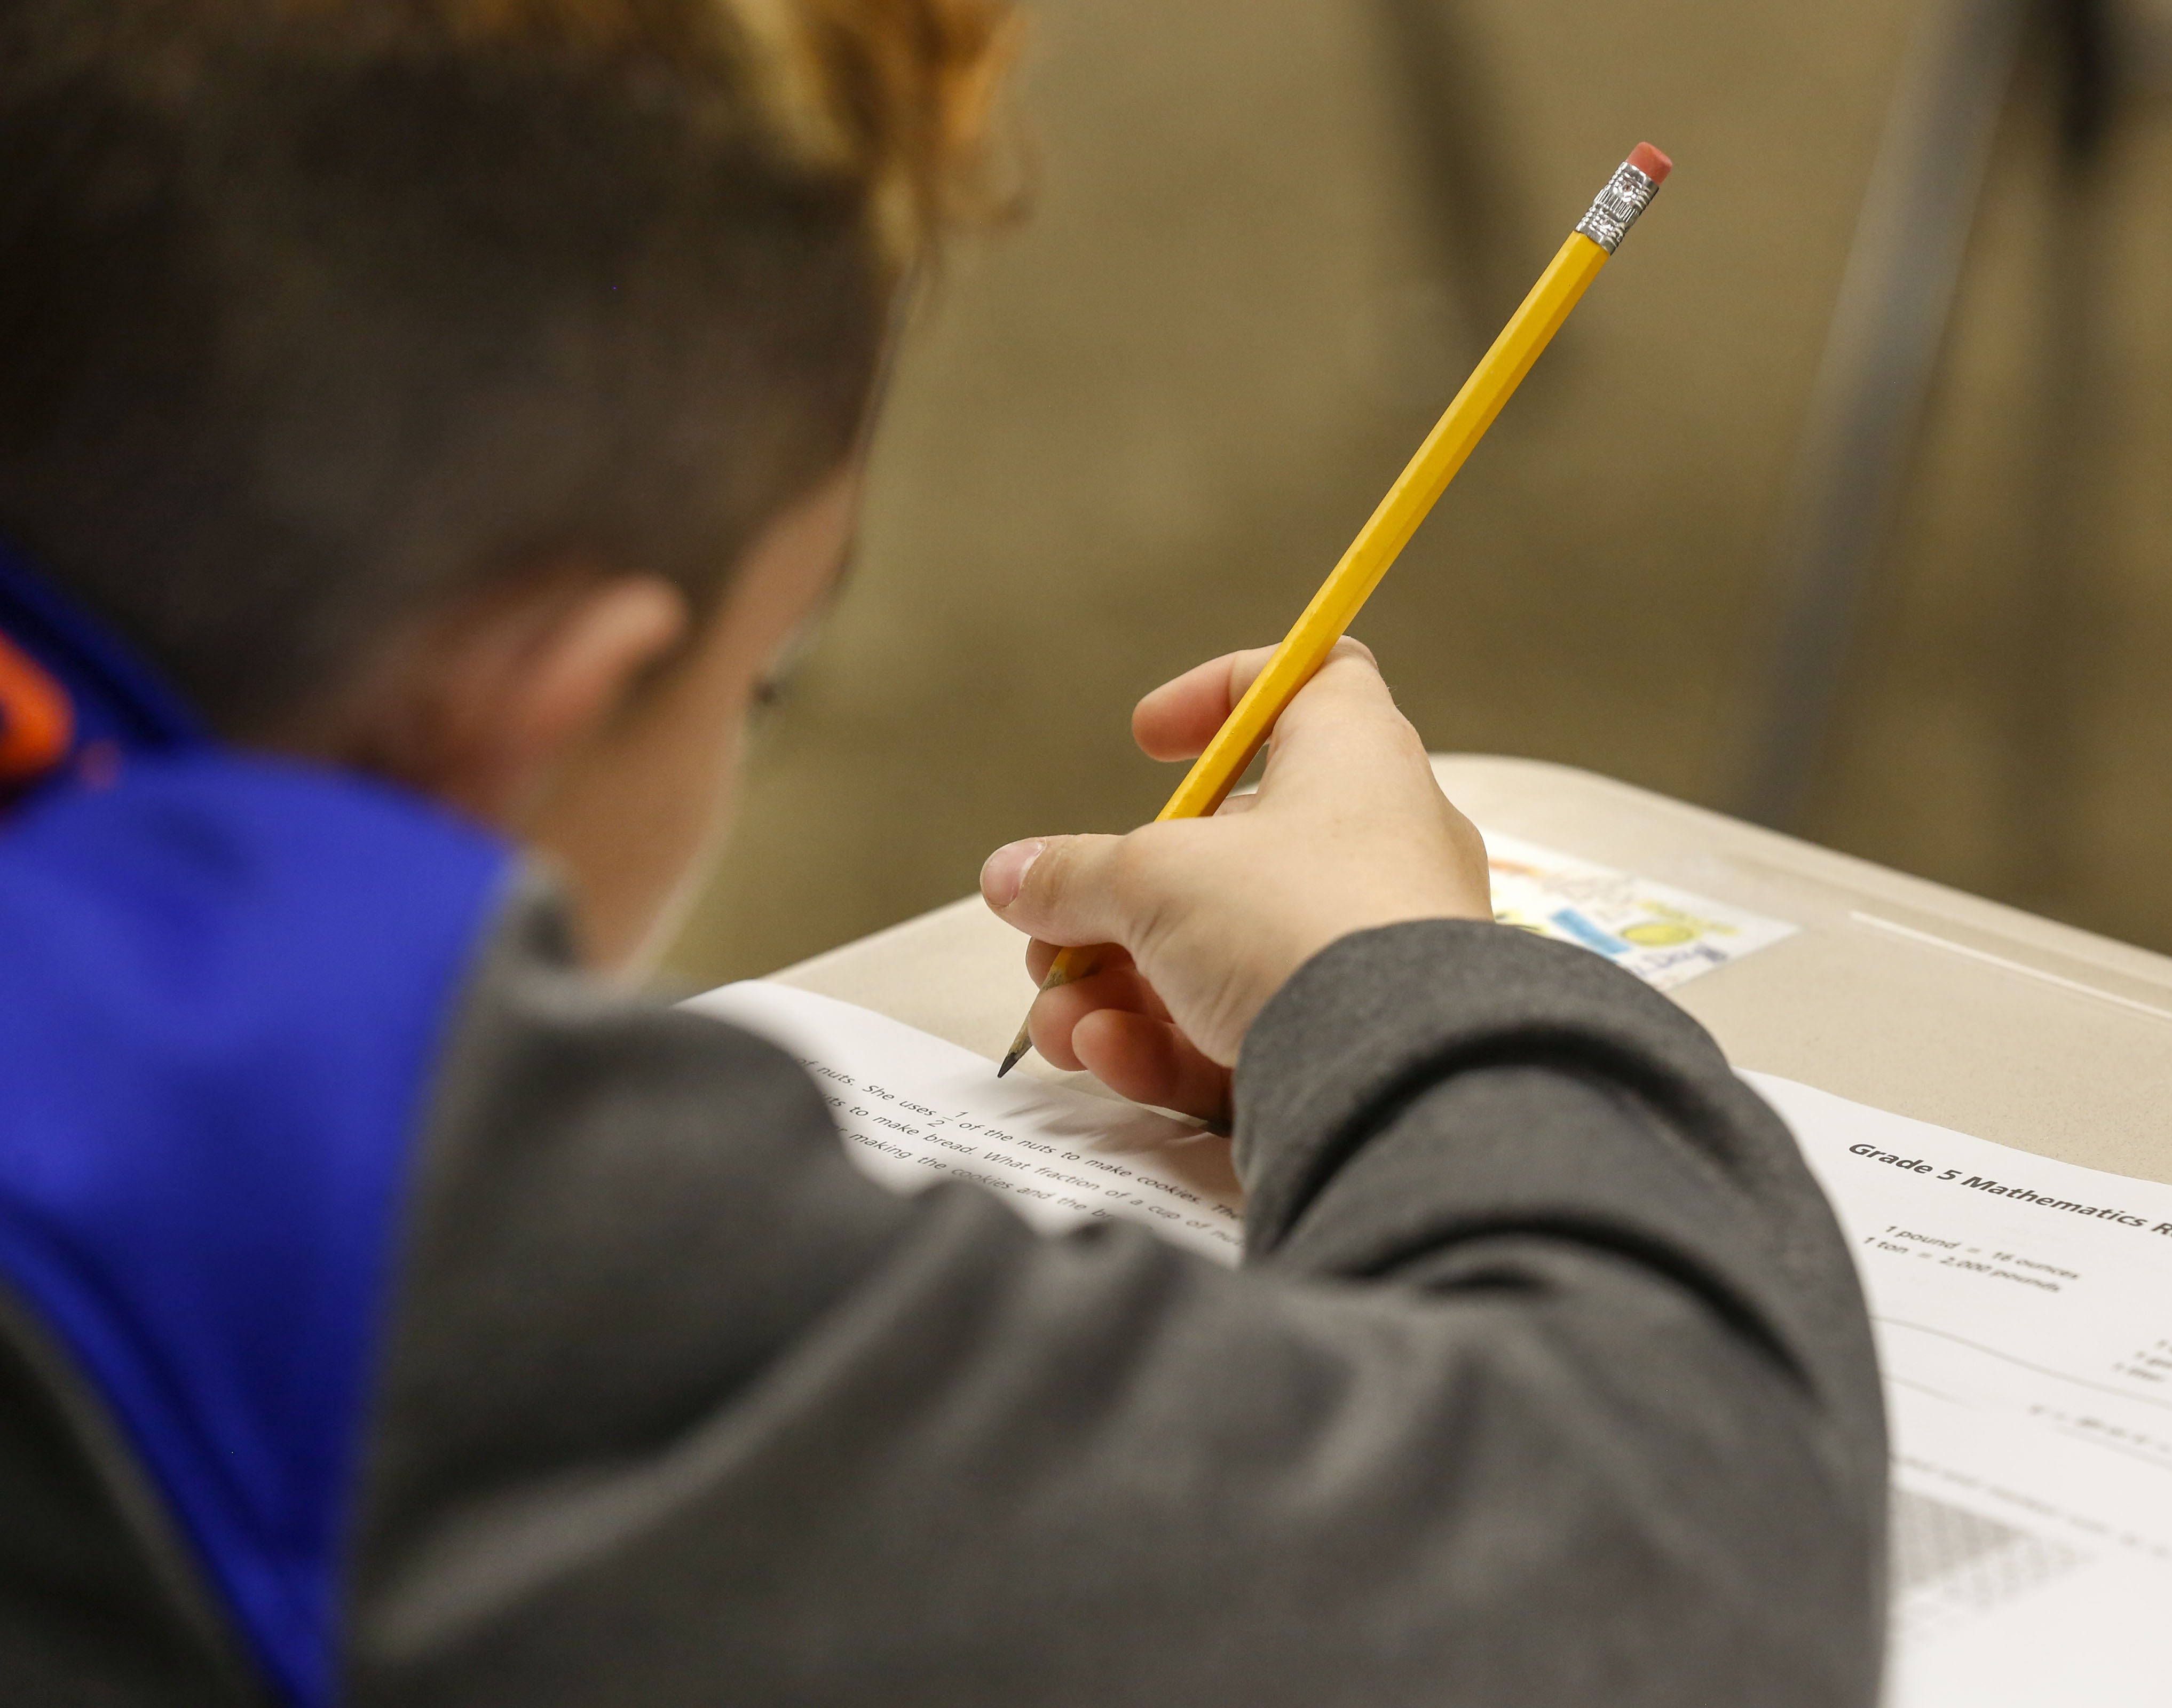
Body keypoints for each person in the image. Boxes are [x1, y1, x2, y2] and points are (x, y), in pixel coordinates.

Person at [0, 2, 1887, 1704]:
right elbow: (1664, 1553)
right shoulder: (292, 1165)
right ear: (554, 699)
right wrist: (1390, 976)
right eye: (765, 677)